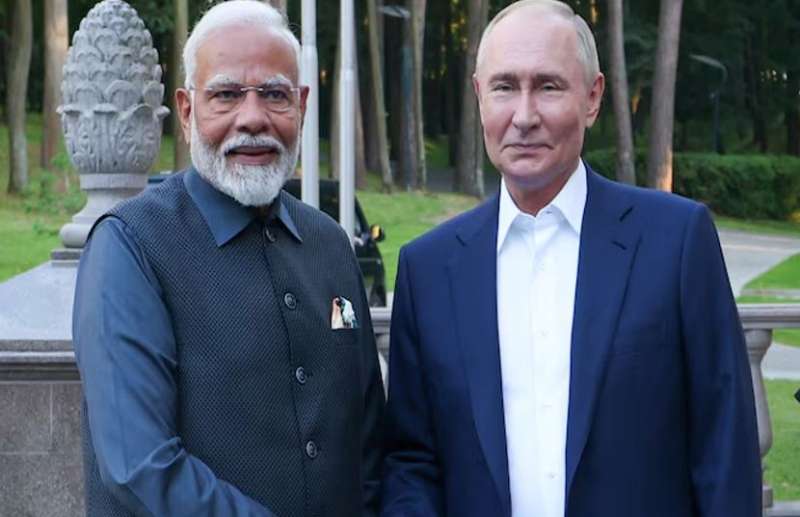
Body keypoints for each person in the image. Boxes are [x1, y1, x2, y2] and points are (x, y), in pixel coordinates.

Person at [380, 1, 761, 516]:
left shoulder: (676, 242)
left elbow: (725, 445)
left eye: (548, 86)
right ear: (479, 95)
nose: (524, 116)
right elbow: (412, 461)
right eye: (504, 87)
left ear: (593, 97)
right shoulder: (427, 270)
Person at [72, 1, 384, 515]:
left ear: (302, 106)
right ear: (187, 110)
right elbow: (140, 464)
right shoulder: (130, 247)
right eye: (226, 94)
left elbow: (368, 442)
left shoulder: (330, 244)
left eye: (275, 95)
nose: (253, 118)